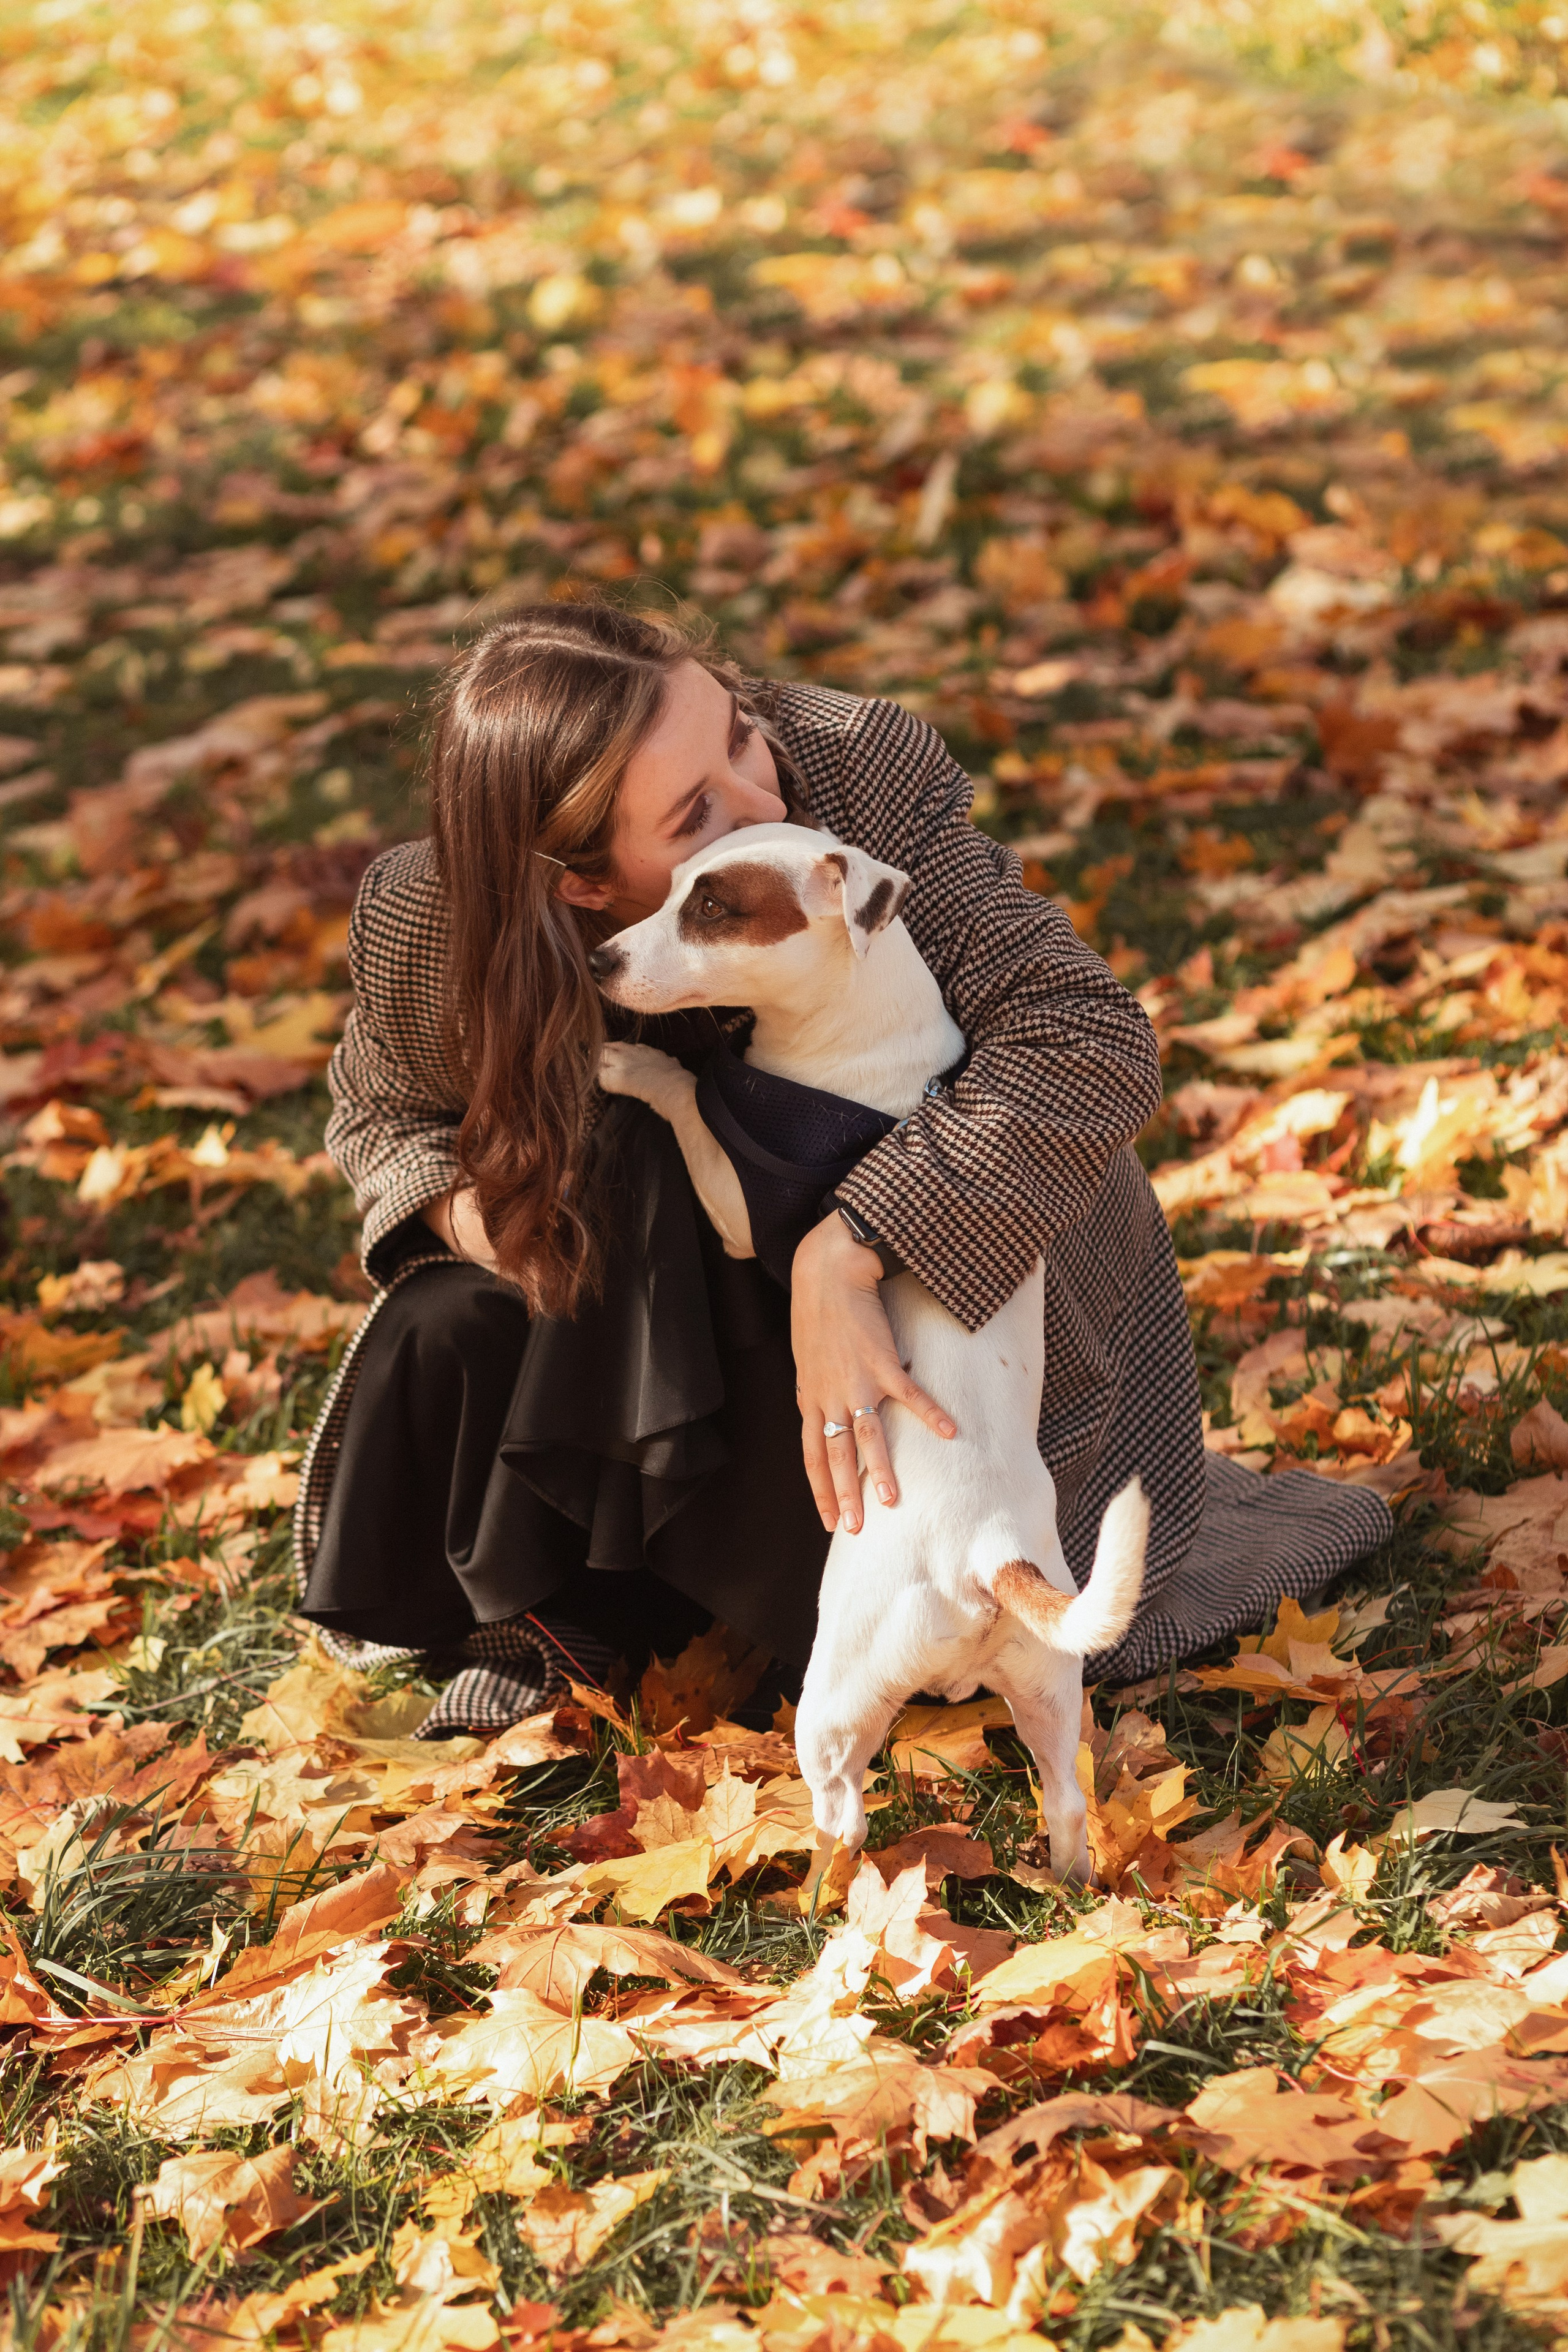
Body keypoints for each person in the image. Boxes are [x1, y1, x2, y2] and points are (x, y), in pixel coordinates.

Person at [295, 599, 1390, 1738]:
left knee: (658, 1153)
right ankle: (559, 1622)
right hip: (648, 1323)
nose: (762, 799)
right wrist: (508, 1241)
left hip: (949, 1323)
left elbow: (1084, 1037)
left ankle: (834, 1615)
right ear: (580, 884)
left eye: (735, 734)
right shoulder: (429, 916)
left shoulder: (854, 779)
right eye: (697, 812)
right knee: (504, 1265)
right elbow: (384, 1119)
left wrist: (852, 1250)